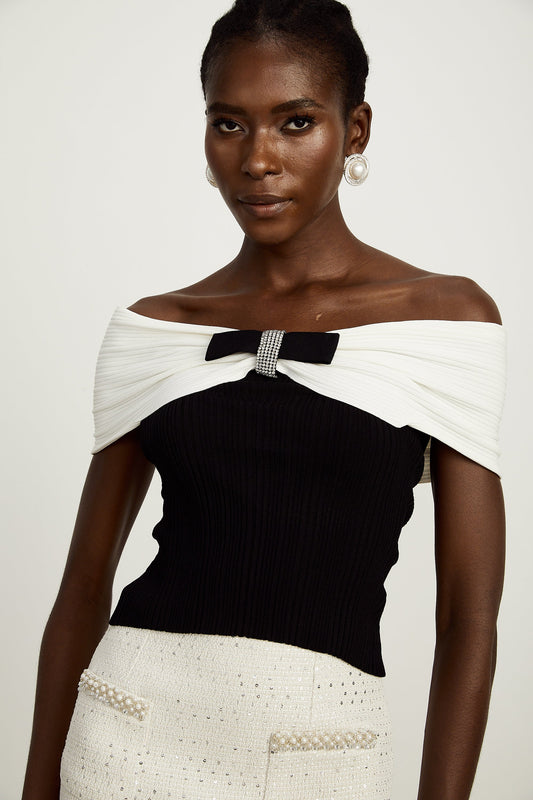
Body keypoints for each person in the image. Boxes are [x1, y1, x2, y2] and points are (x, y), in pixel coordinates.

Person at [22, 1, 507, 798]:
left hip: (319, 751)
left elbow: (466, 619)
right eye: (228, 124)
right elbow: (82, 587)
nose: (256, 160)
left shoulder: (444, 321)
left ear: (354, 131)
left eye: (295, 122)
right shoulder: (155, 328)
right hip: (123, 733)